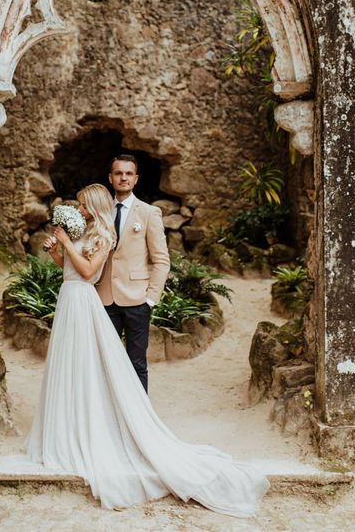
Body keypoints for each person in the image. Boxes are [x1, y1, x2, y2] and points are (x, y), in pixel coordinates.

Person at [25, 183, 269, 516]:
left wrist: (67, 243)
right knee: (68, 367)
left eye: (83, 205)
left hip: (84, 303)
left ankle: (90, 429)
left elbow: (87, 273)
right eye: (78, 205)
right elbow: (67, 269)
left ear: (95, 206)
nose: (79, 210)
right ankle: (63, 430)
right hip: (69, 302)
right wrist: (56, 250)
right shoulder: (85, 232)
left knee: (88, 367)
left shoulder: (105, 237)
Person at [95, 155, 170, 392]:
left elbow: (161, 260)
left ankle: (138, 423)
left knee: (137, 364)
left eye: (128, 174)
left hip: (137, 300)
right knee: (102, 363)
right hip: (104, 299)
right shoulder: (101, 213)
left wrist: (150, 299)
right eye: (118, 173)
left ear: (136, 179)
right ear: (110, 178)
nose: (123, 178)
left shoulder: (149, 213)